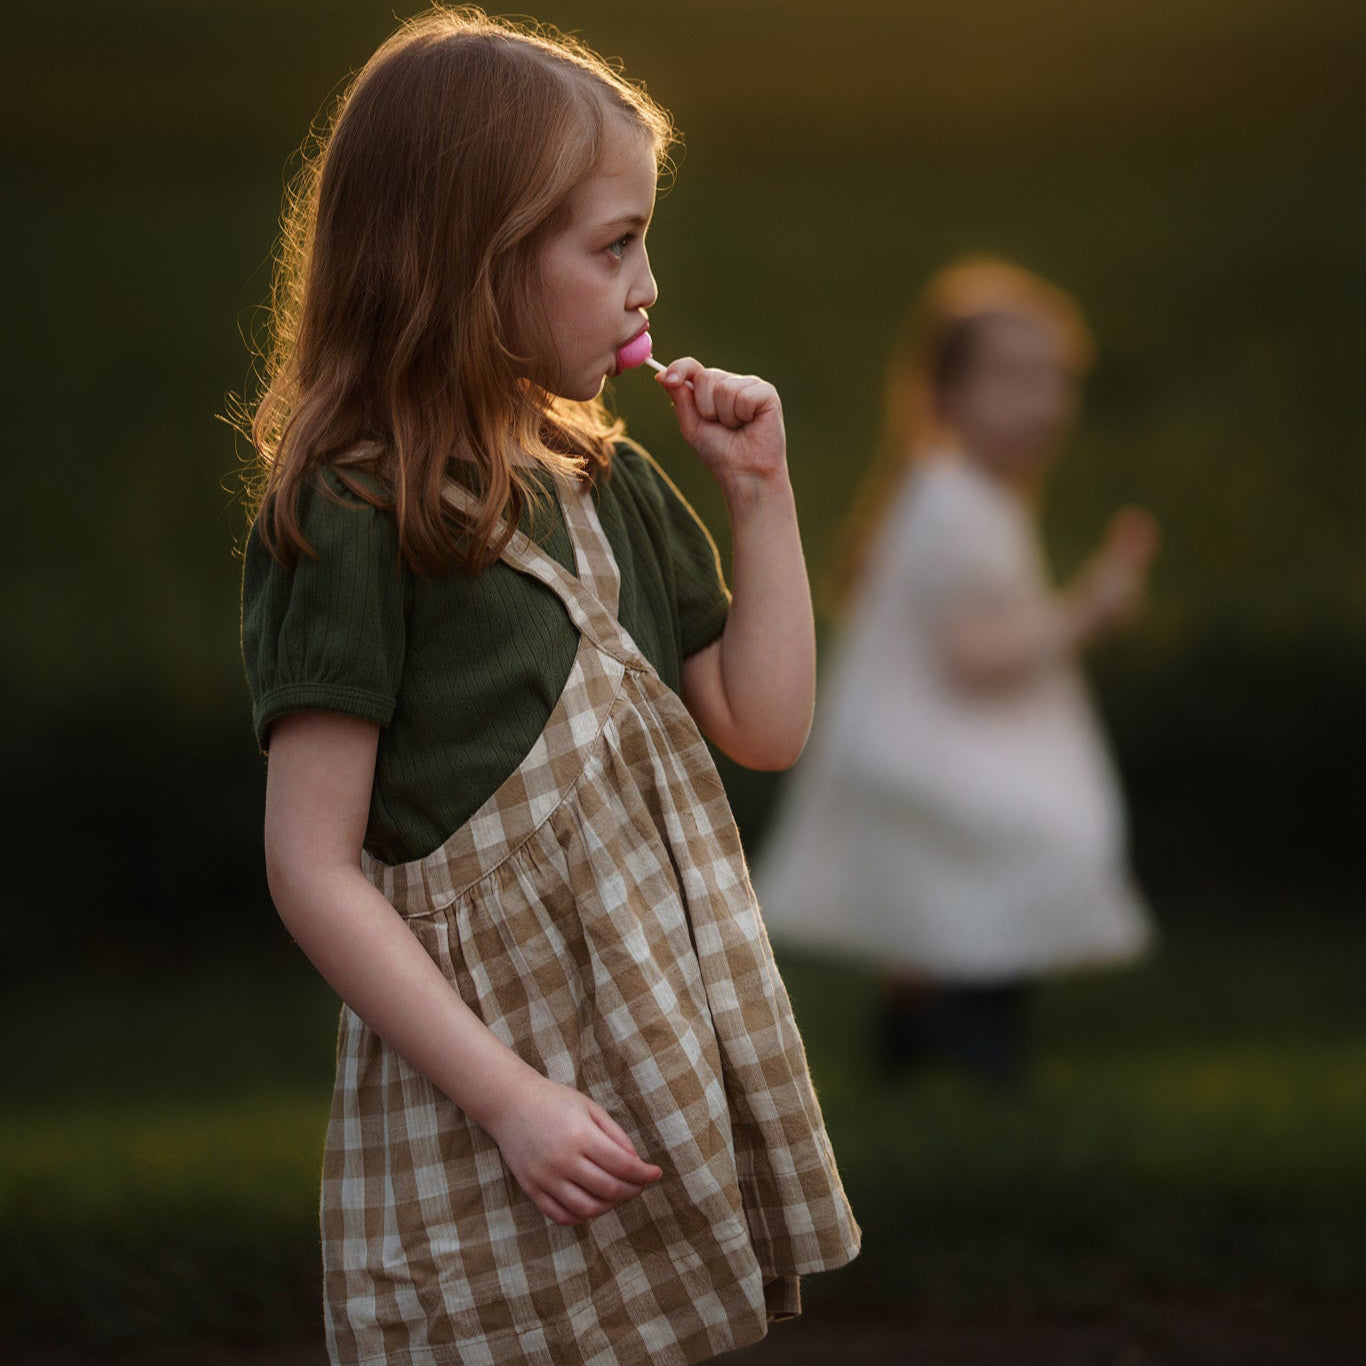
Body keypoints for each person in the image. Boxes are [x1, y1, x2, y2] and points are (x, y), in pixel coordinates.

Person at [236, 9, 858, 1364]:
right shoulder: (357, 511)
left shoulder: (609, 480)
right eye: (613, 243)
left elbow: (762, 722)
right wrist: (509, 1096)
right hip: (483, 1081)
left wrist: (761, 497)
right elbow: (310, 862)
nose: (647, 283)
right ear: (471, 261)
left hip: (643, 1045)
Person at [753, 258, 1158, 1085]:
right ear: (944, 395)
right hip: (932, 744)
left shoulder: (960, 491)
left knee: (963, 883)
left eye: (1054, 380)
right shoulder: (954, 502)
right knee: (1053, 835)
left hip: (927, 736)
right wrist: (1089, 608)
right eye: (1012, 379)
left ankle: (917, 1019)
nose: (1040, 403)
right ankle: (961, 1020)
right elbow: (974, 654)